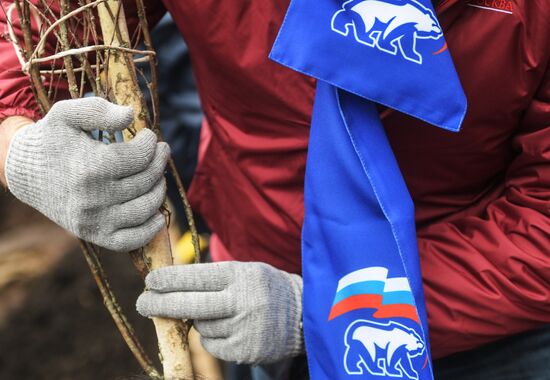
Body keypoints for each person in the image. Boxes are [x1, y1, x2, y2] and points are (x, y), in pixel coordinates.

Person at [0, 1, 548, 379]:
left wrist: (329, 311)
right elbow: (30, 31)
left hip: (479, 320)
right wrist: (18, 148)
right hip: (247, 292)